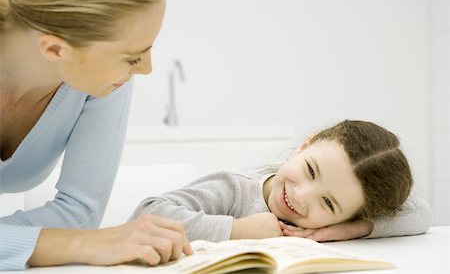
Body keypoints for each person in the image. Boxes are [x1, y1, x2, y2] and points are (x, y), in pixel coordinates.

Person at [0, 0, 193, 270]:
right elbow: (80, 234)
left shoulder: (104, 81)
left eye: (147, 48)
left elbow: (79, 215)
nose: (147, 69)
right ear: (54, 49)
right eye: (132, 57)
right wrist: (82, 244)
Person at [130, 120, 434, 242]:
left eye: (327, 203)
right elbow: (147, 215)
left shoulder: (336, 224)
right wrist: (238, 230)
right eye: (311, 171)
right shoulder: (234, 191)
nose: (302, 197)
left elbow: (421, 214)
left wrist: (347, 229)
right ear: (304, 146)